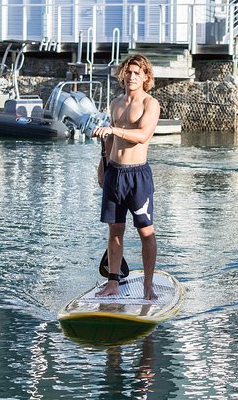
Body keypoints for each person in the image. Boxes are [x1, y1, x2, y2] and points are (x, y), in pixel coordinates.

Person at [92, 54, 160, 300]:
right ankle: (113, 283)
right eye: (128, 72)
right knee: (115, 230)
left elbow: (142, 135)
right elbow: (110, 139)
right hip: (115, 173)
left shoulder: (150, 103)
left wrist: (113, 130)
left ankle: (148, 285)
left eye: (137, 73)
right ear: (123, 74)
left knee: (146, 231)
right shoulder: (116, 103)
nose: (132, 77)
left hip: (137, 176)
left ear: (145, 77)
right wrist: (103, 167)